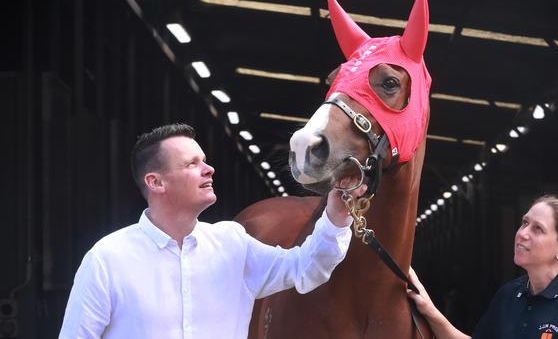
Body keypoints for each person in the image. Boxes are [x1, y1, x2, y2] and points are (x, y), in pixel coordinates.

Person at [59, 123, 364, 338]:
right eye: (192, 164)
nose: (209, 169)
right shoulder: (108, 259)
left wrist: (336, 217)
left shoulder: (232, 243)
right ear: (156, 182)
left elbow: (306, 268)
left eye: (205, 160)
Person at [407, 195, 558, 339]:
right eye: (525, 223)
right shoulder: (509, 295)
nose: (523, 233)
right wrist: (430, 311)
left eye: (537, 229)